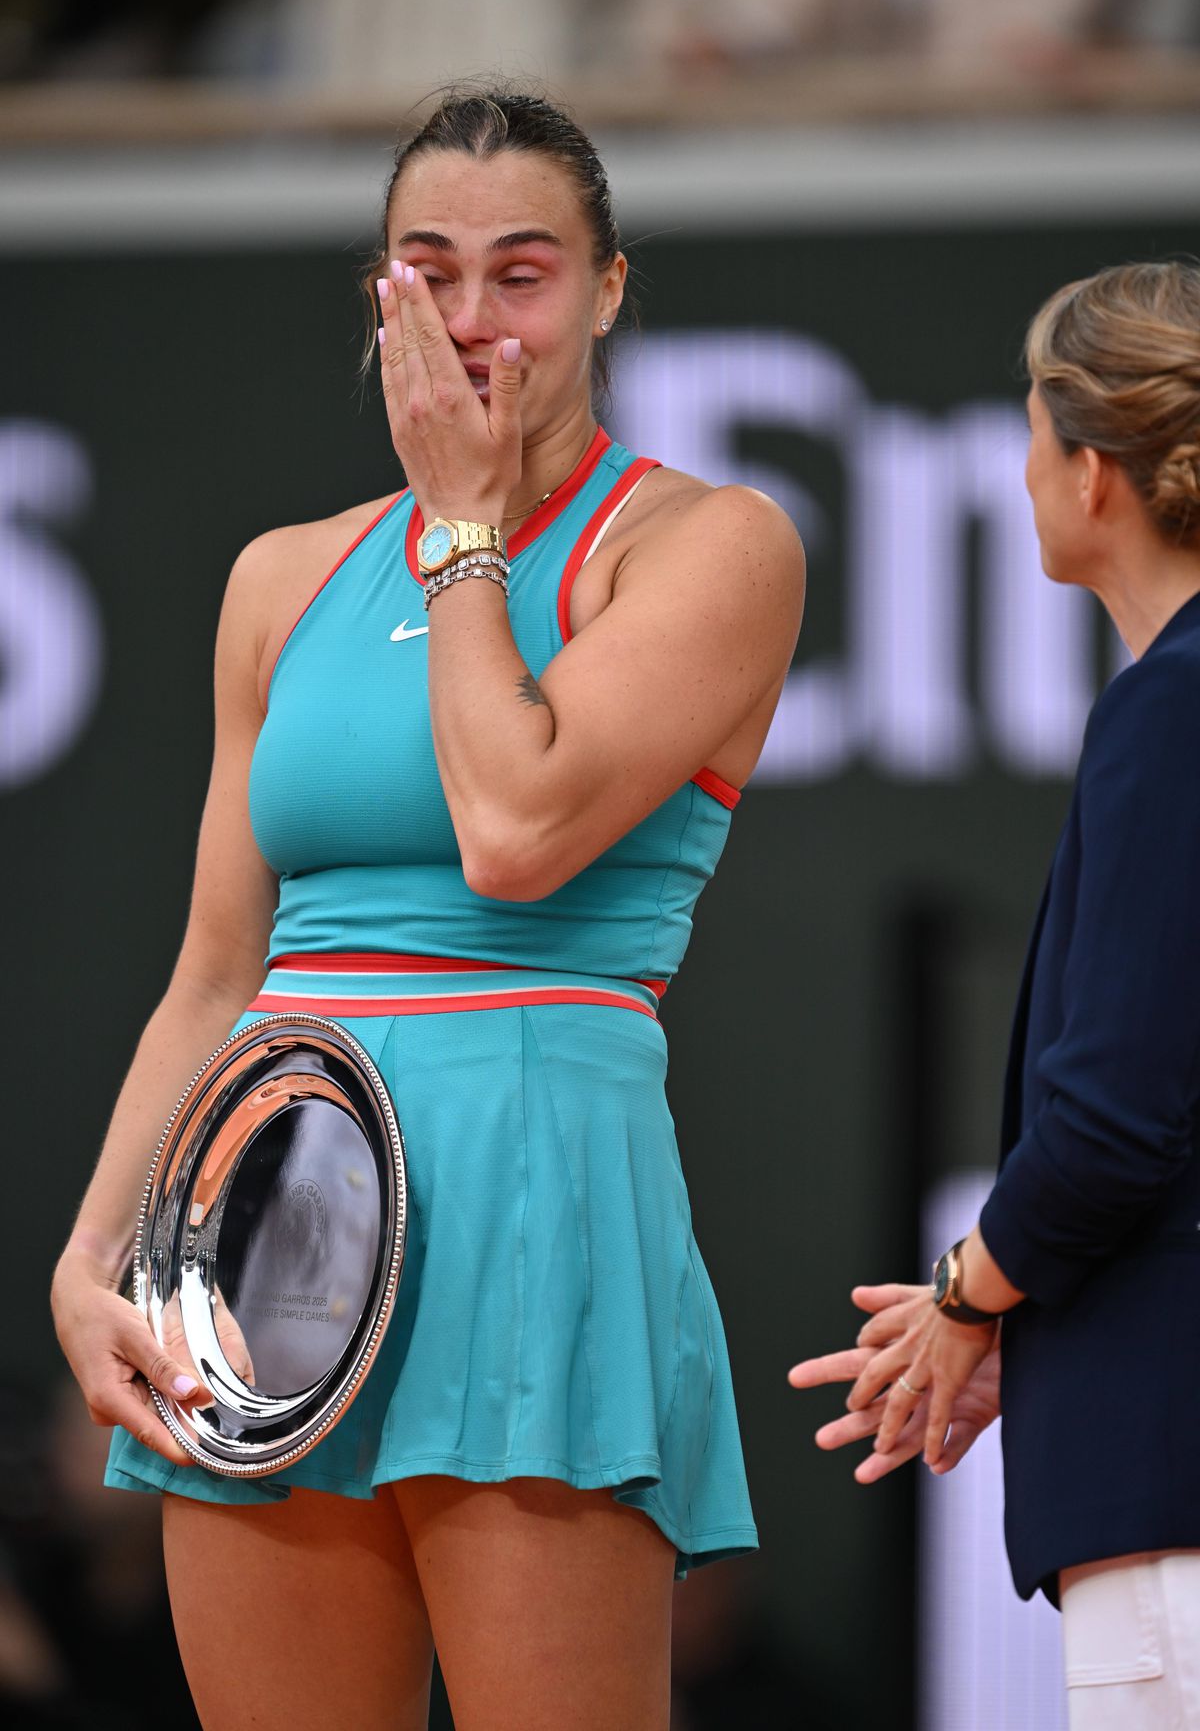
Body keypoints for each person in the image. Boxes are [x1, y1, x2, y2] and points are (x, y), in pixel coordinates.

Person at [49, 86, 805, 1731]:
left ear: (608, 291)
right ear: (377, 291)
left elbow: (517, 829)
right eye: (429, 270)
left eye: (522, 273)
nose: (472, 319)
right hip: (262, 1210)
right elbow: (216, 973)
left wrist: (465, 531)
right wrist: (96, 1253)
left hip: (535, 1189)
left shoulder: (710, 543)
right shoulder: (282, 578)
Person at [790, 258, 1200, 1728]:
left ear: (1093, 471)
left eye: (1031, 433)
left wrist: (968, 1297)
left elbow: (1116, 1118)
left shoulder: (1175, 704)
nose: (1022, 471)